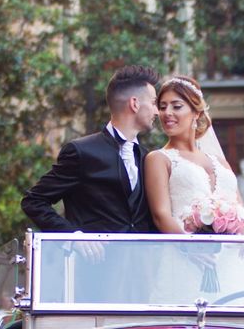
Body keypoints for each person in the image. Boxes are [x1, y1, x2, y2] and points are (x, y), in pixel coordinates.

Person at [21, 65, 160, 303]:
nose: (157, 111)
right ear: (135, 104)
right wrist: (73, 236)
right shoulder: (81, 152)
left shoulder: (148, 157)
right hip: (93, 282)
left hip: (141, 282)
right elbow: (33, 201)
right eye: (154, 102)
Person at [145, 76, 244, 303]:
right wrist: (190, 248)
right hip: (184, 257)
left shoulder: (219, 161)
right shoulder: (158, 158)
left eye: (177, 106)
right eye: (163, 106)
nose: (167, 113)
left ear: (196, 113)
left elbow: (239, 209)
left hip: (230, 260)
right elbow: (161, 215)